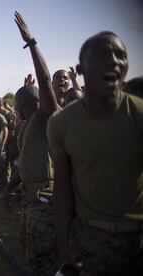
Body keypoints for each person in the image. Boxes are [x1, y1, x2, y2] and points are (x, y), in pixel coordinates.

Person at [47, 31, 143, 275]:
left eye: (120, 55)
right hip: (89, 241)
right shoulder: (61, 123)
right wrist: (63, 247)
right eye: (102, 54)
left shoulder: (139, 115)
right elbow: (62, 188)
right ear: (80, 69)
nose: (113, 61)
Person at [14, 11, 60, 275]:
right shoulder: (28, 124)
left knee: (43, 259)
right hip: (29, 196)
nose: (15, 109)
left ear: (25, 105)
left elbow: (45, 85)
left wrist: (31, 43)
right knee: (29, 248)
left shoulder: (45, 117)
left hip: (46, 198)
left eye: (17, 105)